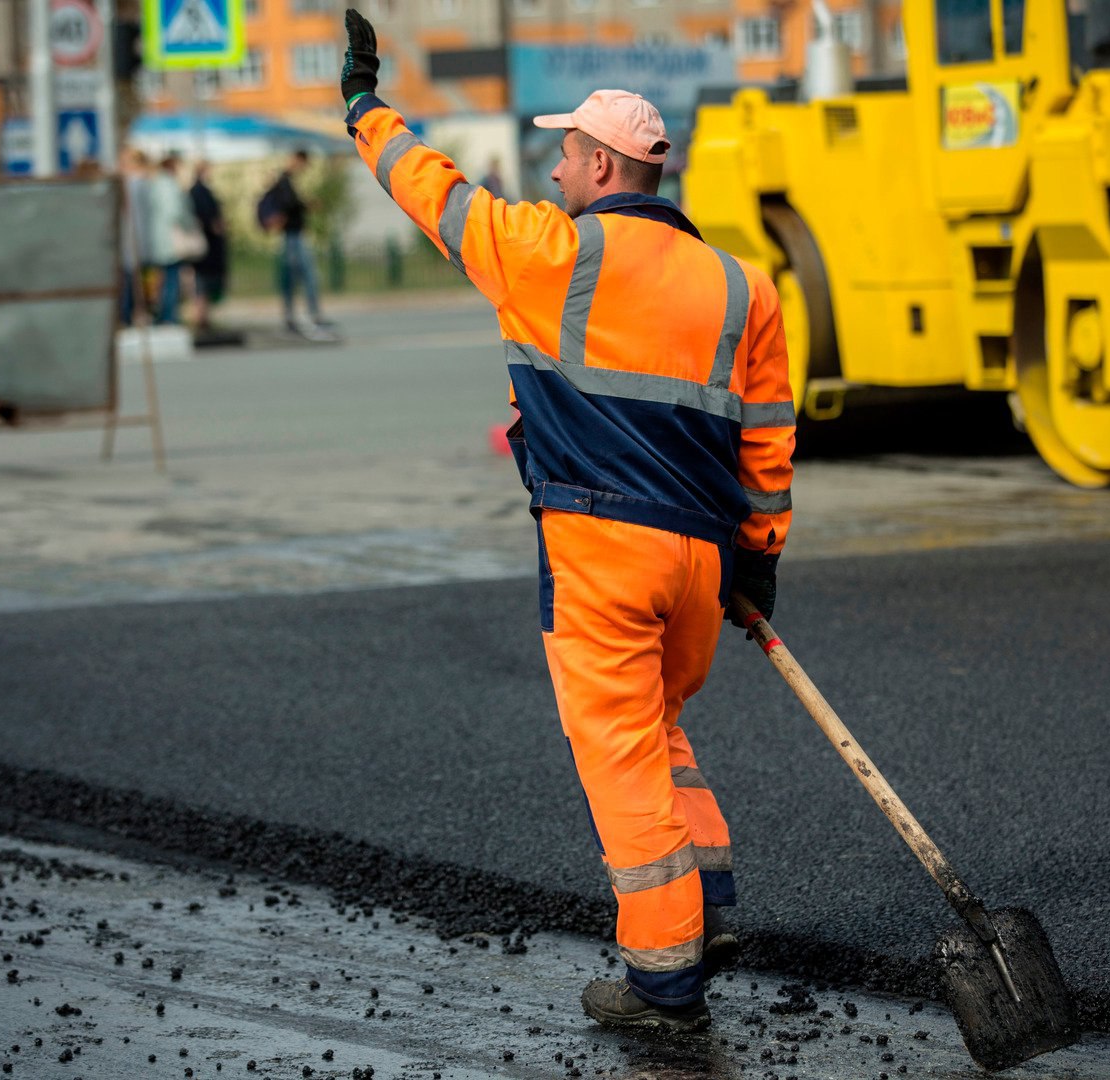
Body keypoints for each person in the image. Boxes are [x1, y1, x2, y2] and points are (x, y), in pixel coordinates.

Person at [338, 9, 795, 1033]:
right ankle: (707, 902)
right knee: (660, 729)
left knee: (621, 757)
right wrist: (758, 564)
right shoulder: (742, 287)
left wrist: (365, 109)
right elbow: (767, 440)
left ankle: (663, 984)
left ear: (599, 164)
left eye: (562, 156)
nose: (551, 173)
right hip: (699, 563)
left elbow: (434, 192)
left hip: (600, 550)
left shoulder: (549, 253)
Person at [262, 149, 336, 339]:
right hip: (292, 235)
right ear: (296, 160)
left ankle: (293, 316)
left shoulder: (284, 180)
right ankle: (311, 315)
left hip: (292, 235)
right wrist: (306, 205)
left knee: (292, 277)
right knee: (306, 276)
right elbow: (288, 204)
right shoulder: (284, 180)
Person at [144, 153, 200, 325]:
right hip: (171, 241)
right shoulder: (168, 185)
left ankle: (164, 314)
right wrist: (190, 223)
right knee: (171, 280)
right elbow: (174, 212)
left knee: (164, 279)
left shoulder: (154, 185)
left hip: (160, 240)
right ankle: (169, 316)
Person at [189, 161, 230, 333]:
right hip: (206, 245)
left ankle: (203, 315)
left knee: (204, 281)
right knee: (203, 281)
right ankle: (201, 316)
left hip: (209, 245)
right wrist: (214, 225)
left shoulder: (201, 191)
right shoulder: (199, 192)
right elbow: (204, 216)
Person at [119, 148, 152, 325]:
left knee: (131, 278)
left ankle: (129, 313)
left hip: (132, 236)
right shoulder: (134, 183)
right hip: (131, 236)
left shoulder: (134, 183)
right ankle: (127, 314)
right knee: (129, 279)